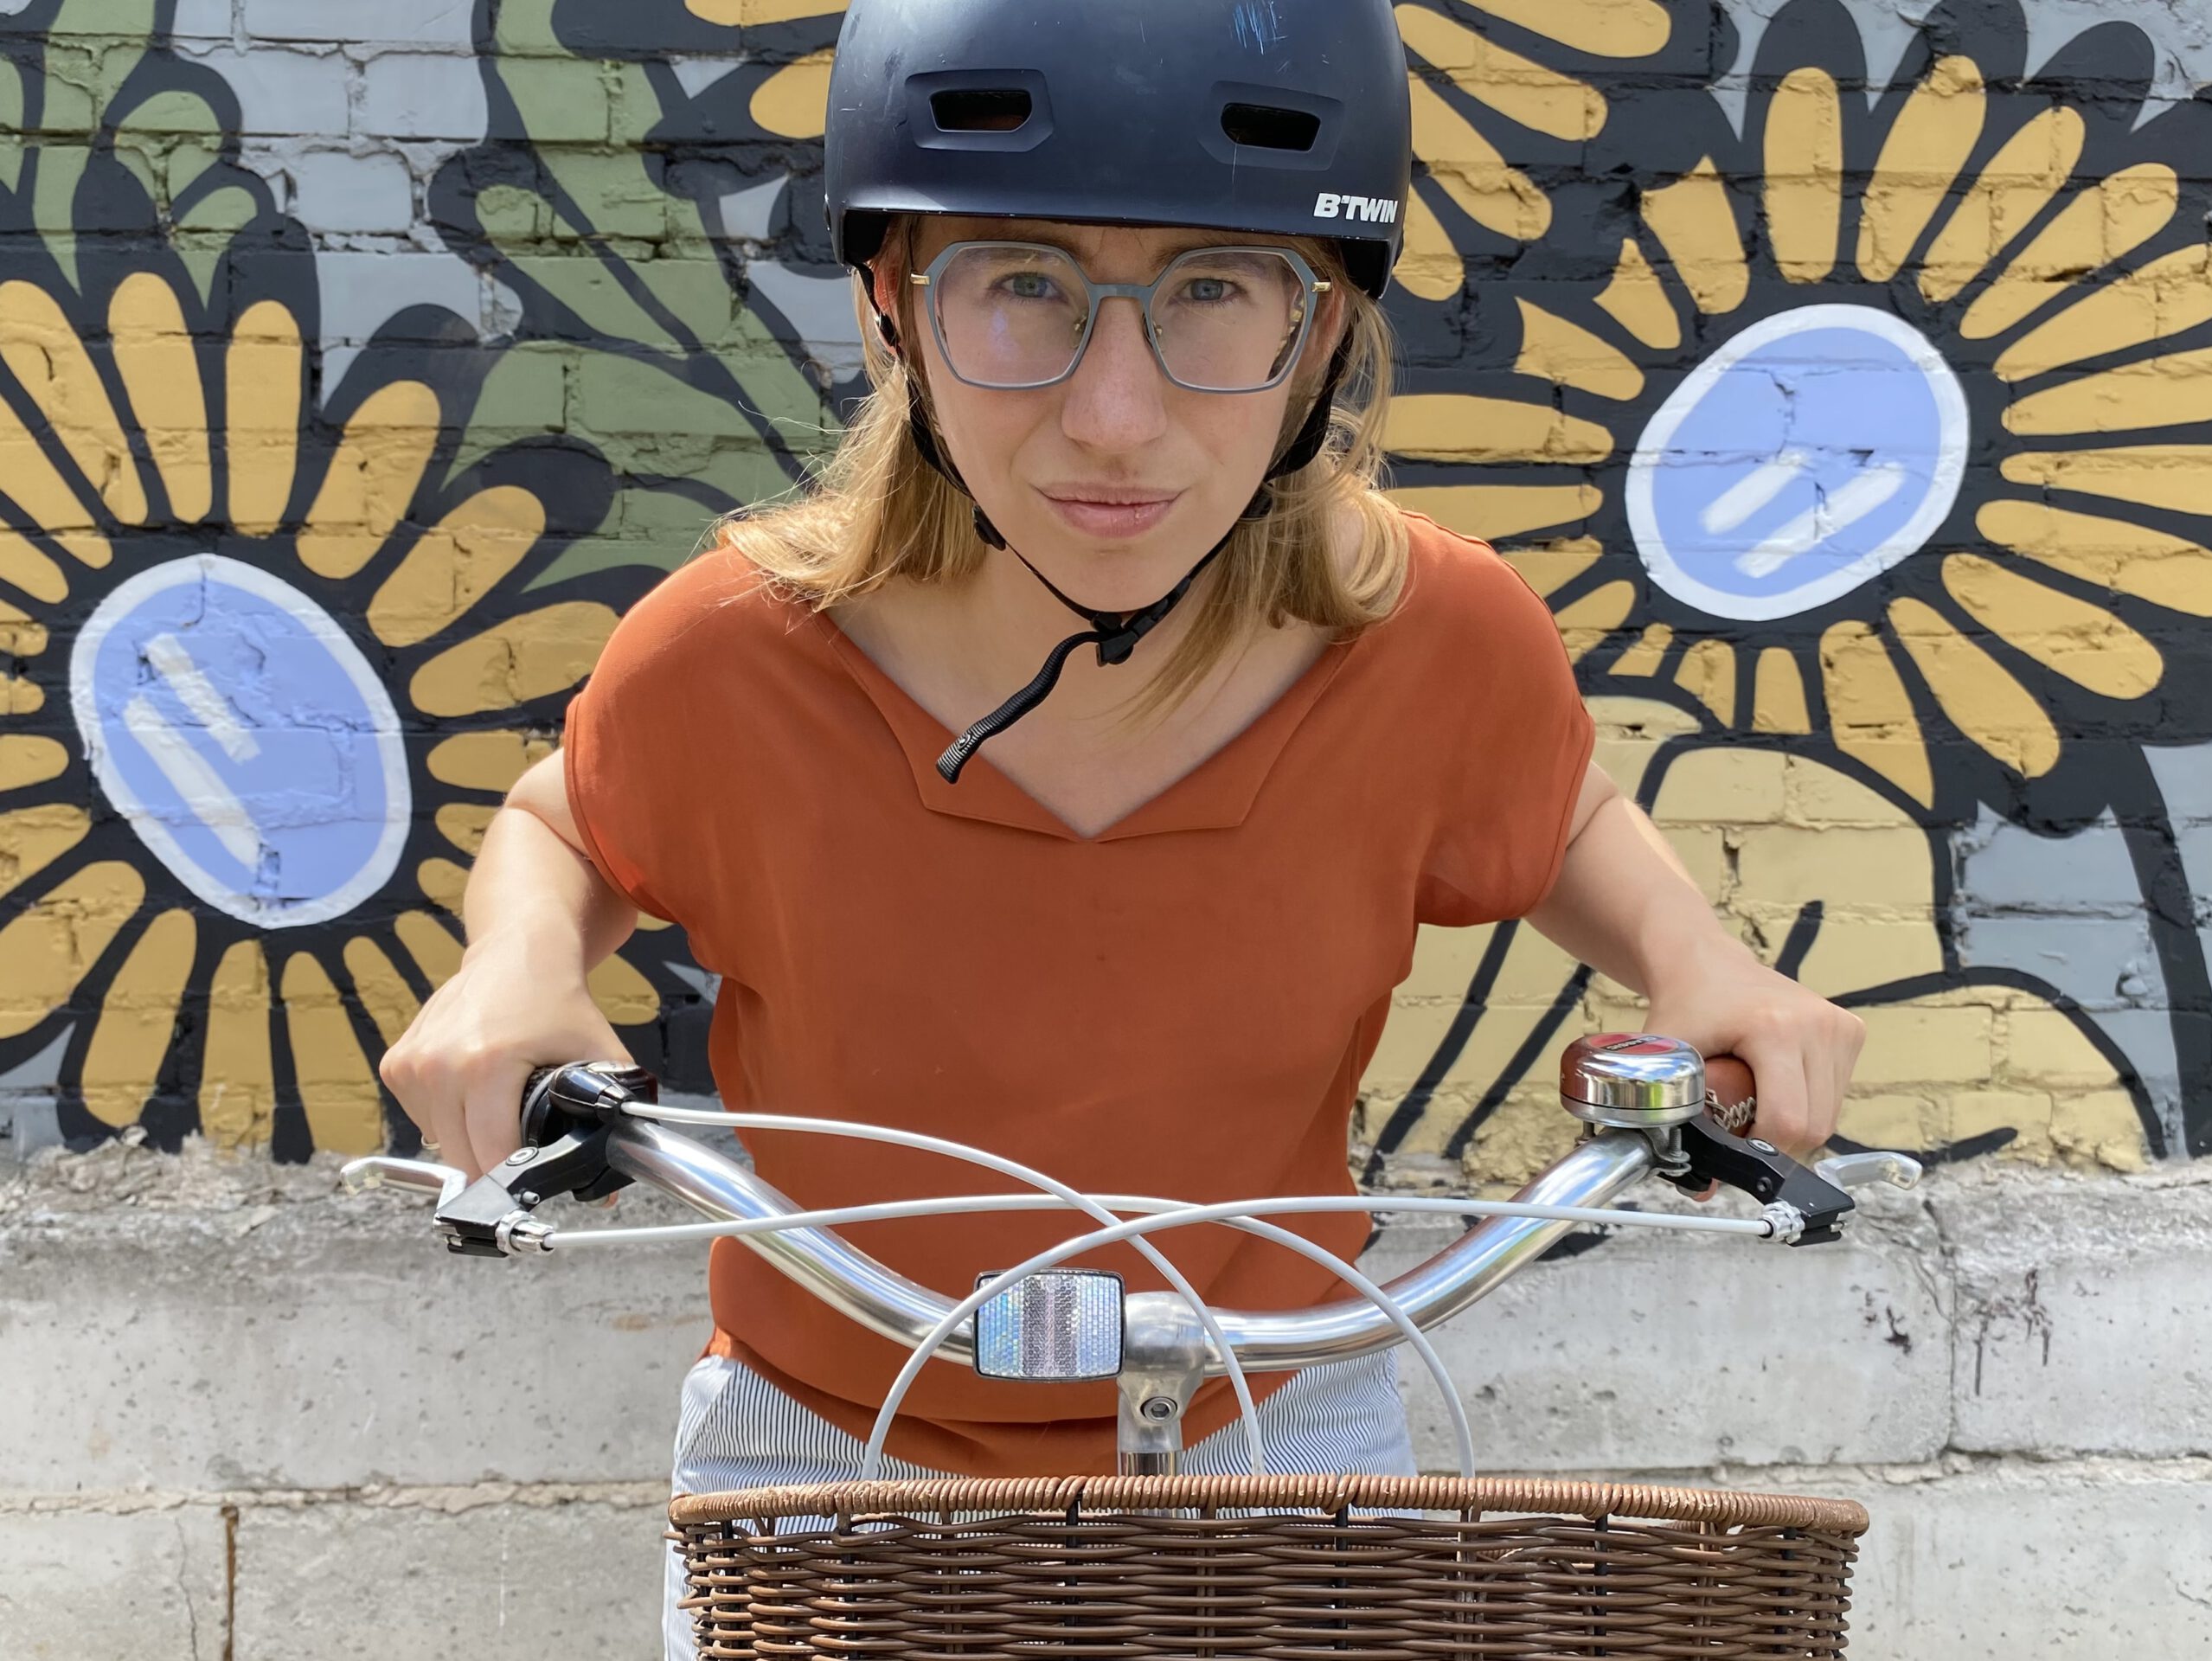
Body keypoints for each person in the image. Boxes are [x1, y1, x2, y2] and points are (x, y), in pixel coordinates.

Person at [376, 0, 1866, 1651]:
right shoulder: (734, 655)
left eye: (1215, 291)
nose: (1112, 417)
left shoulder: (1432, 641)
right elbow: (573, 825)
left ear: (1322, 333)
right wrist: (515, 969)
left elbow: (1548, 802)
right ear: (892, 310)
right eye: (1021, 284)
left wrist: (1700, 963)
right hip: (822, 1448)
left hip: (1280, 1417)